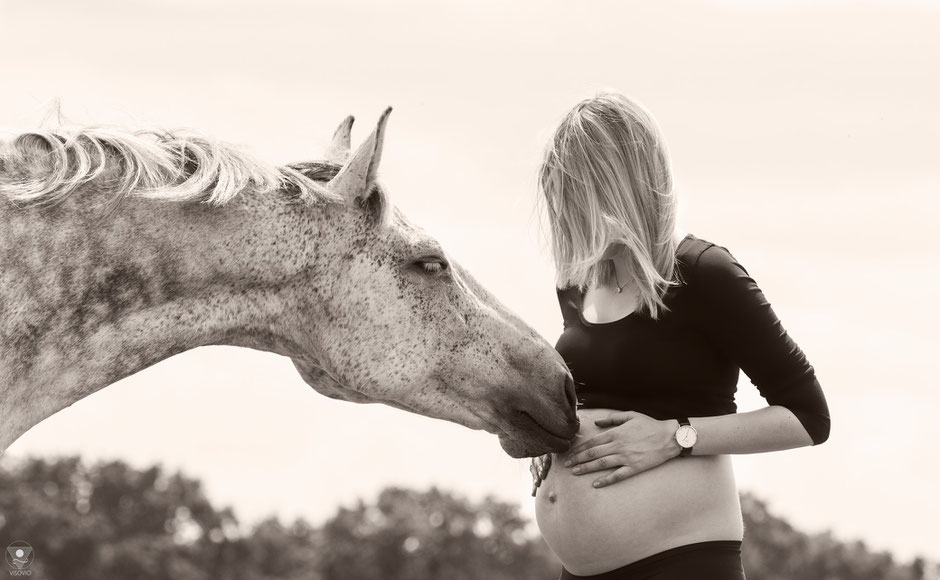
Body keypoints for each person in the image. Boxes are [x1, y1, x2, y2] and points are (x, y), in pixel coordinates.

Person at [530, 92, 830, 580]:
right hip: (579, 569)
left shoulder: (704, 273)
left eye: (573, 198)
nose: (563, 217)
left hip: (685, 560)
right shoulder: (574, 284)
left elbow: (809, 416)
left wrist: (675, 437)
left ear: (617, 188)